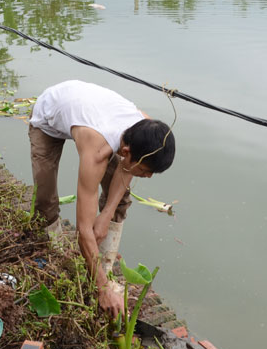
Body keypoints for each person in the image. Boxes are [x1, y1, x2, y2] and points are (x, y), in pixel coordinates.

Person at [29, 80, 175, 320]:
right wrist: (103, 289)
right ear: (126, 152)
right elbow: (83, 228)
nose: (147, 176)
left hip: (91, 110)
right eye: (146, 170)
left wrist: (106, 214)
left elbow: (126, 170)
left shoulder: (147, 129)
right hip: (49, 116)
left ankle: (102, 268)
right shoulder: (96, 151)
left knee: (120, 201)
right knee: (46, 200)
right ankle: (57, 258)